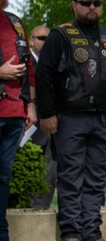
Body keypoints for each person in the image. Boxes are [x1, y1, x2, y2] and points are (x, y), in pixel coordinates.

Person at [36, 0, 106, 241]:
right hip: (69, 118)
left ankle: (92, 234)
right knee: (71, 176)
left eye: (97, 3)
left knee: (97, 177)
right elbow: (43, 76)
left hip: (102, 119)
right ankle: (71, 234)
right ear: (74, 5)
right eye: (86, 2)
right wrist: (48, 114)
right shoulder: (60, 36)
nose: (92, 7)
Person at [0, 0, 36, 241]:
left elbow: (30, 69)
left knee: (3, 177)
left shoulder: (14, 22)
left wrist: (31, 105)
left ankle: (1, 239)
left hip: (14, 112)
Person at [28, 25, 57, 210]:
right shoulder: (25, 62)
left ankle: (41, 216)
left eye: (49, 39)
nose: (45, 42)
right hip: (29, 129)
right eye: (41, 38)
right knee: (28, 176)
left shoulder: (54, 64)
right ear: (31, 40)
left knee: (49, 177)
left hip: (52, 128)